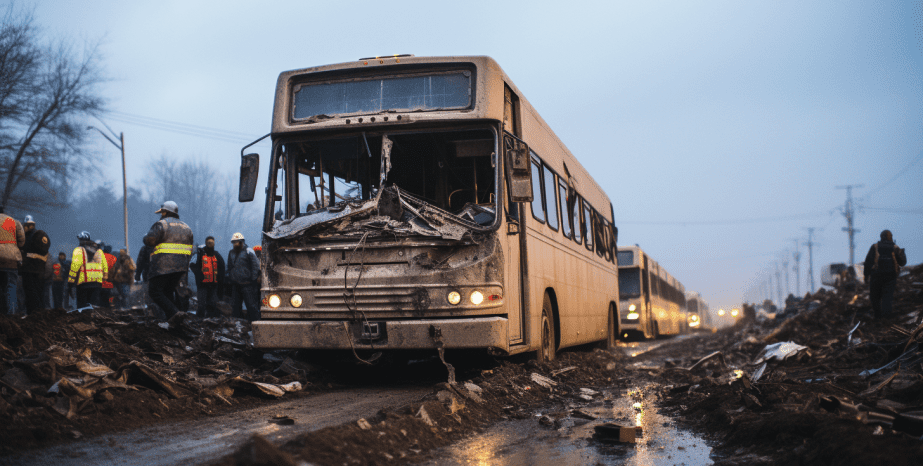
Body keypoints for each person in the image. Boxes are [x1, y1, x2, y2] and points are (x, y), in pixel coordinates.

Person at [143, 201, 193, 320]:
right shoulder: (187, 227)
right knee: (168, 291)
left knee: (154, 291)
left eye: (162, 212)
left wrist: (145, 238)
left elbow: (150, 241)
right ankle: (173, 319)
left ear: (165, 212)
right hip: (181, 267)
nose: (161, 215)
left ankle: (175, 313)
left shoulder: (161, 224)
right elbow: (191, 248)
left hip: (162, 266)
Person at [863, 230, 908, 319]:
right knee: (887, 297)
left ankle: (877, 316)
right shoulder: (895, 247)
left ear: (881, 237)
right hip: (890, 277)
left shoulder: (874, 247)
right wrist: (902, 252)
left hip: (876, 276)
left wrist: (866, 276)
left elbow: (868, 262)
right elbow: (902, 262)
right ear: (890, 237)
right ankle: (886, 318)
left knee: (875, 297)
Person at [226, 232, 260, 321]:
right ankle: (237, 327)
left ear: (242, 242)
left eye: (237, 242)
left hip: (247, 284)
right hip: (235, 284)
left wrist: (253, 279)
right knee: (235, 306)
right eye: (234, 242)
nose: (235, 244)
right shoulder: (231, 253)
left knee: (251, 306)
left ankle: (255, 324)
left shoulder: (249, 251)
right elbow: (229, 266)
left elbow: (255, 266)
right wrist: (230, 278)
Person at [69, 231, 108, 308]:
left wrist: (70, 283)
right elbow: (104, 266)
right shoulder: (99, 250)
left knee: (82, 307)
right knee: (93, 306)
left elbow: (74, 267)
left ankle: (83, 319)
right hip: (97, 283)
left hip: (83, 283)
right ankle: (93, 319)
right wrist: (104, 278)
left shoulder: (79, 250)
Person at [20, 215, 50, 314]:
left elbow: (24, 250)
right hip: (40, 270)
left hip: (28, 269)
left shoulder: (27, 237)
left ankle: (31, 315)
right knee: (39, 293)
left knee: (30, 294)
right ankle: (39, 314)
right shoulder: (41, 235)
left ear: (27, 225)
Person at [190, 236, 225, 318]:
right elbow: (192, 265)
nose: (210, 244)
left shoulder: (217, 255)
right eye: (208, 242)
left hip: (213, 285)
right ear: (206, 243)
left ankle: (211, 323)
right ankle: (199, 323)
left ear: (214, 243)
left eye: (212, 242)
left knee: (212, 305)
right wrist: (200, 276)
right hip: (202, 285)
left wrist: (220, 281)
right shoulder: (200, 254)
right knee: (201, 306)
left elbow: (221, 268)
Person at [0, 210, 26, 315]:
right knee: (11, 286)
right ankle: (12, 314)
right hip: (12, 258)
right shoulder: (14, 221)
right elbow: (22, 241)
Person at [99, 243, 117, 309]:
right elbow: (115, 270)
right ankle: (108, 308)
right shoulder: (114, 258)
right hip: (109, 281)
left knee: (100, 297)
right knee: (108, 296)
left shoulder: (100, 257)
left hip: (100, 280)